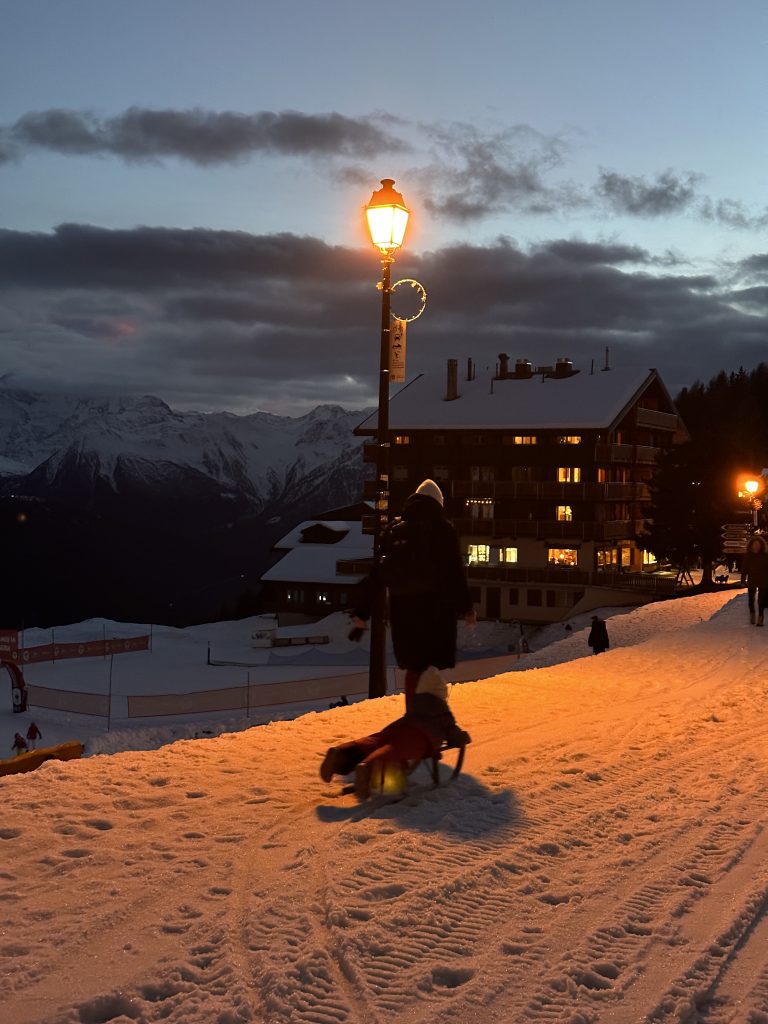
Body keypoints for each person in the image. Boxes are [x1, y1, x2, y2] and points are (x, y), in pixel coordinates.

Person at [350, 479, 476, 707]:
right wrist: (466, 607)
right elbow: (454, 573)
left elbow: (377, 576)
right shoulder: (443, 530)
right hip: (436, 612)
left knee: (414, 667)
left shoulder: (395, 530)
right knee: (430, 669)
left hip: (403, 611)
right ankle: (430, 721)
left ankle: (414, 716)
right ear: (439, 503)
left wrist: (361, 613)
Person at [319, 668, 470, 798]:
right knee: (394, 750)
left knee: (375, 741)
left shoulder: (414, 705)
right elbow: (453, 733)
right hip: (421, 737)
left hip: (401, 725)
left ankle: (342, 752)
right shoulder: (442, 711)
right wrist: (462, 737)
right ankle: (368, 768)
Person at [741, 534, 768, 625]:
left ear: (761, 545)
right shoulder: (748, 555)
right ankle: (752, 613)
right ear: (751, 545)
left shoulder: (765, 555)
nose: (756, 546)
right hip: (752, 580)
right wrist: (743, 580)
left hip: (763, 580)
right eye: (754, 544)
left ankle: (760, 618)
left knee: (761, 600)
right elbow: (744, 568)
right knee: (751, 599)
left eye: (758, 544)